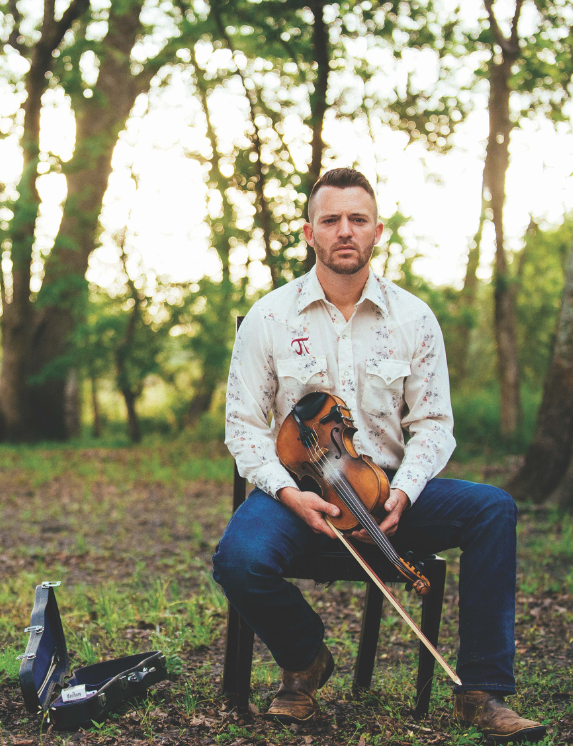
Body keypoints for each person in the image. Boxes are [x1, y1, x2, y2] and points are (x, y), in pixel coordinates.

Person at [213, 168, 547, 742]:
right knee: (237, 558)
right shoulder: (269, 317)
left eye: (357, 220)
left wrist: (405, 491)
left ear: (377, 231)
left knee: (493, 509)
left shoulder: (414, 318)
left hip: (390, 490)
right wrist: (290, 495)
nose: (345, 231)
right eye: (331, 220)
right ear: (308, 232)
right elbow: (243, 427)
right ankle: (306, 660)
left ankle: (482, 691)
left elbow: (435, 425)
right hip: (301, 490)